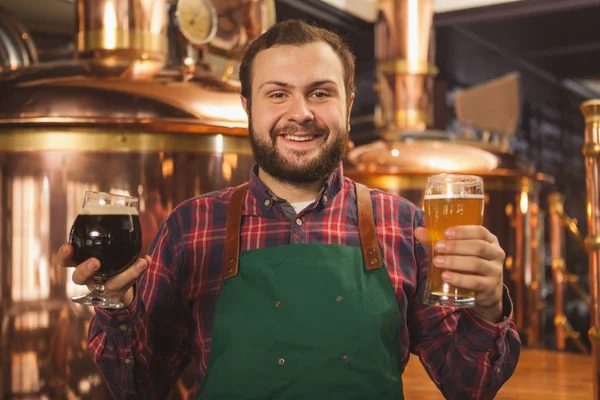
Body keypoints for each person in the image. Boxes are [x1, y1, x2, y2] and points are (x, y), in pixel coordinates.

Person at [57, 19, 521, 400]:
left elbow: (469, 386)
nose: (301, 113)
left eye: (321, 92)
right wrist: (115, 305)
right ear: (247, 107)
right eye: (277, 93)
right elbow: (138, 388)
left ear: (349, 102)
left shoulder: (404, 224)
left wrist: (487, 306)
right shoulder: (190, 226)